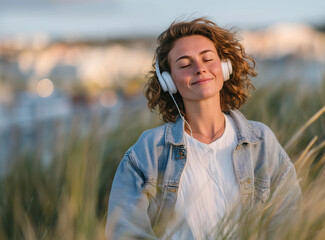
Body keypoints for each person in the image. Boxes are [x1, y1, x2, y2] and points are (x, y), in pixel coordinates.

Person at [106, 17, 301, 239]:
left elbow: (288, 216)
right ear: (169, 81)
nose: (200, 69)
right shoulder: (149, 151)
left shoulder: (261, 141)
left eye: (208, 59)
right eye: (185, 64)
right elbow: (124, 230)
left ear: (225, 67)